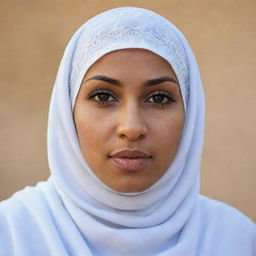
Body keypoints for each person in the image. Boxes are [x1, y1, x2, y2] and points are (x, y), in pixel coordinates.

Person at [0, 7, 255, 256]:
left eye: (159, 98)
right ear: (67, 111)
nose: (131, 128)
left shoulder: (237, 240)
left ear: (190, 113)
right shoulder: (11, 233)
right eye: (103, 96)